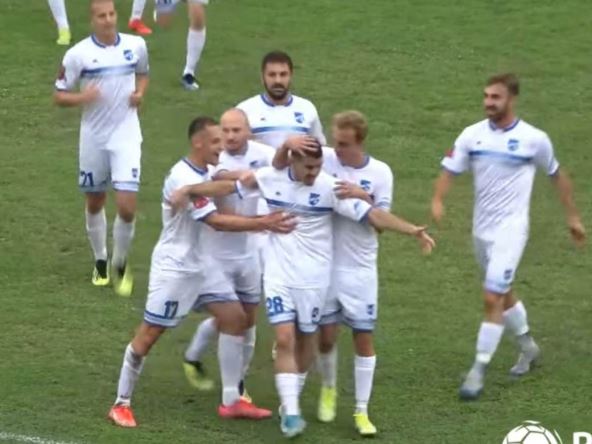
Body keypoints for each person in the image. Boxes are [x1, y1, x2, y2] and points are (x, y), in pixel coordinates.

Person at [179, 142, 434, 438]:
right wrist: (190, 190)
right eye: (309, 167)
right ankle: (291, 414)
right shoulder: (270, 178)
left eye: (318, 166)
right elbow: (230, 187)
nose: (314, 172)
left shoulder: (330, 188)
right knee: (284, 339)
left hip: (314, 281)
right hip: (278, 276)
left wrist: (411, 230)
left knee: (305, 343)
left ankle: (291, 401)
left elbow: (372, 216)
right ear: (294, 163)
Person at [107, 116, 295, 428]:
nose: (222, 147)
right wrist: (263, 222)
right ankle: (121, 403)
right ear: (198, 143)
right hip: (176, 269)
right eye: (215, 142)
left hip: (204, 266)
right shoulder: (180, 176)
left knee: (235, 319)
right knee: (149, 335)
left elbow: (227, 182)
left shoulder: (204, 172)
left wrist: (245, 179)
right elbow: (215, 221)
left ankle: (231, 400)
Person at [431, 73, 586, 401]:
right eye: (486, 96)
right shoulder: (472, 135)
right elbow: (449, 169)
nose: (488, 102)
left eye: (495, 97)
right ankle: (528, 347)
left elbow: (557, 175)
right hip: (481, 231)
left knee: (492, 297)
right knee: (503, 292)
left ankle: (478, 369)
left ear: (511, 99)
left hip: (511, 230)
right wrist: (438, 200)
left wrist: (572, 216)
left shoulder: (534, 139)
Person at [272, 111, 428, 436]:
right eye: (335, 141)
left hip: (360, 268)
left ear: (360, 142)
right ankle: (327, 388)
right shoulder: (326, 159)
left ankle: (361, 412)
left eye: (343, 144)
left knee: (363, 337)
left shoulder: (380, 173)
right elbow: (285, 170)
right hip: (326, 265)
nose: (337, 149)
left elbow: (378, 223)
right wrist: (286, 144)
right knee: (325, 337)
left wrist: (364, 196)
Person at [54, 0, 149, 297]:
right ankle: (100, 260)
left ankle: (120, 263)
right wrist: (83, 98)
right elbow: (59, 95)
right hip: (94, 138)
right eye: (101, 16)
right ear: (92, 20)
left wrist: (140, 93)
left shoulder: (136, 45)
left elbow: (143, 73)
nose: (107, 20)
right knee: (95, 201)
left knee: (127, 206)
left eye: (111, 14)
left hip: (126, 135)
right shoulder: (77, 54)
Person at [182, 109, 275, 401]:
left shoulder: (264, 154)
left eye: (236, 130)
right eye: (225, 131)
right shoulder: (214, 159)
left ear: (249, 131)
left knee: (247, 321)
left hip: (248, 251)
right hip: (215, 256)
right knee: (231, 318)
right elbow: (220, 177)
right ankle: (226, 384)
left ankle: (237, 380)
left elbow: (284, 171)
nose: (230, 136)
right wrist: (248, 177)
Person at [237, 50, 326, 149]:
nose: (278, 81)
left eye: (283, 74)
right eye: (272, 75)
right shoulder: (244, 111)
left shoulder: (307, 108)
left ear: (291, 76)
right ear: (262, 77)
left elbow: (319, 148)